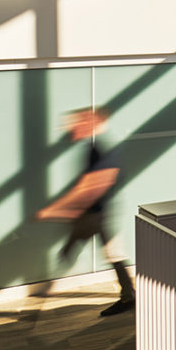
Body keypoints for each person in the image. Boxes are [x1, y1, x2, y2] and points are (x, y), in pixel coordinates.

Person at [37, 107, 134, 316]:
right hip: (97, 214)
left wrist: (53, 210)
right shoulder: (94, 148)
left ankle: (39, 307)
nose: (71, 127)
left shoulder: (100, 150)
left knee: (70, 254)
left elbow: (89, 189)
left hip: (95, 215)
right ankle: (129, 296)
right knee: (113, 254)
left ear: (93, 121)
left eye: (78, 122)